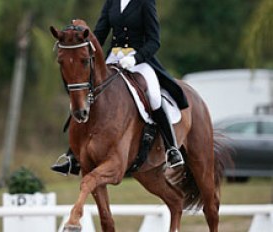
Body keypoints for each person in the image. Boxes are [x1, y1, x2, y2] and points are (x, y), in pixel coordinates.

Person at [51, 0, 189, 175]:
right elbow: (100, 34)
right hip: (113, 58)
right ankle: (73, 156)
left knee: (154, 96)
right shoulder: (112, 2)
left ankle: (172, 149)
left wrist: (135, 58)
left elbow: (154, 41)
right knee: (85, 94)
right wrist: (81, 43)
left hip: (139, 61)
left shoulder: (145, 3)